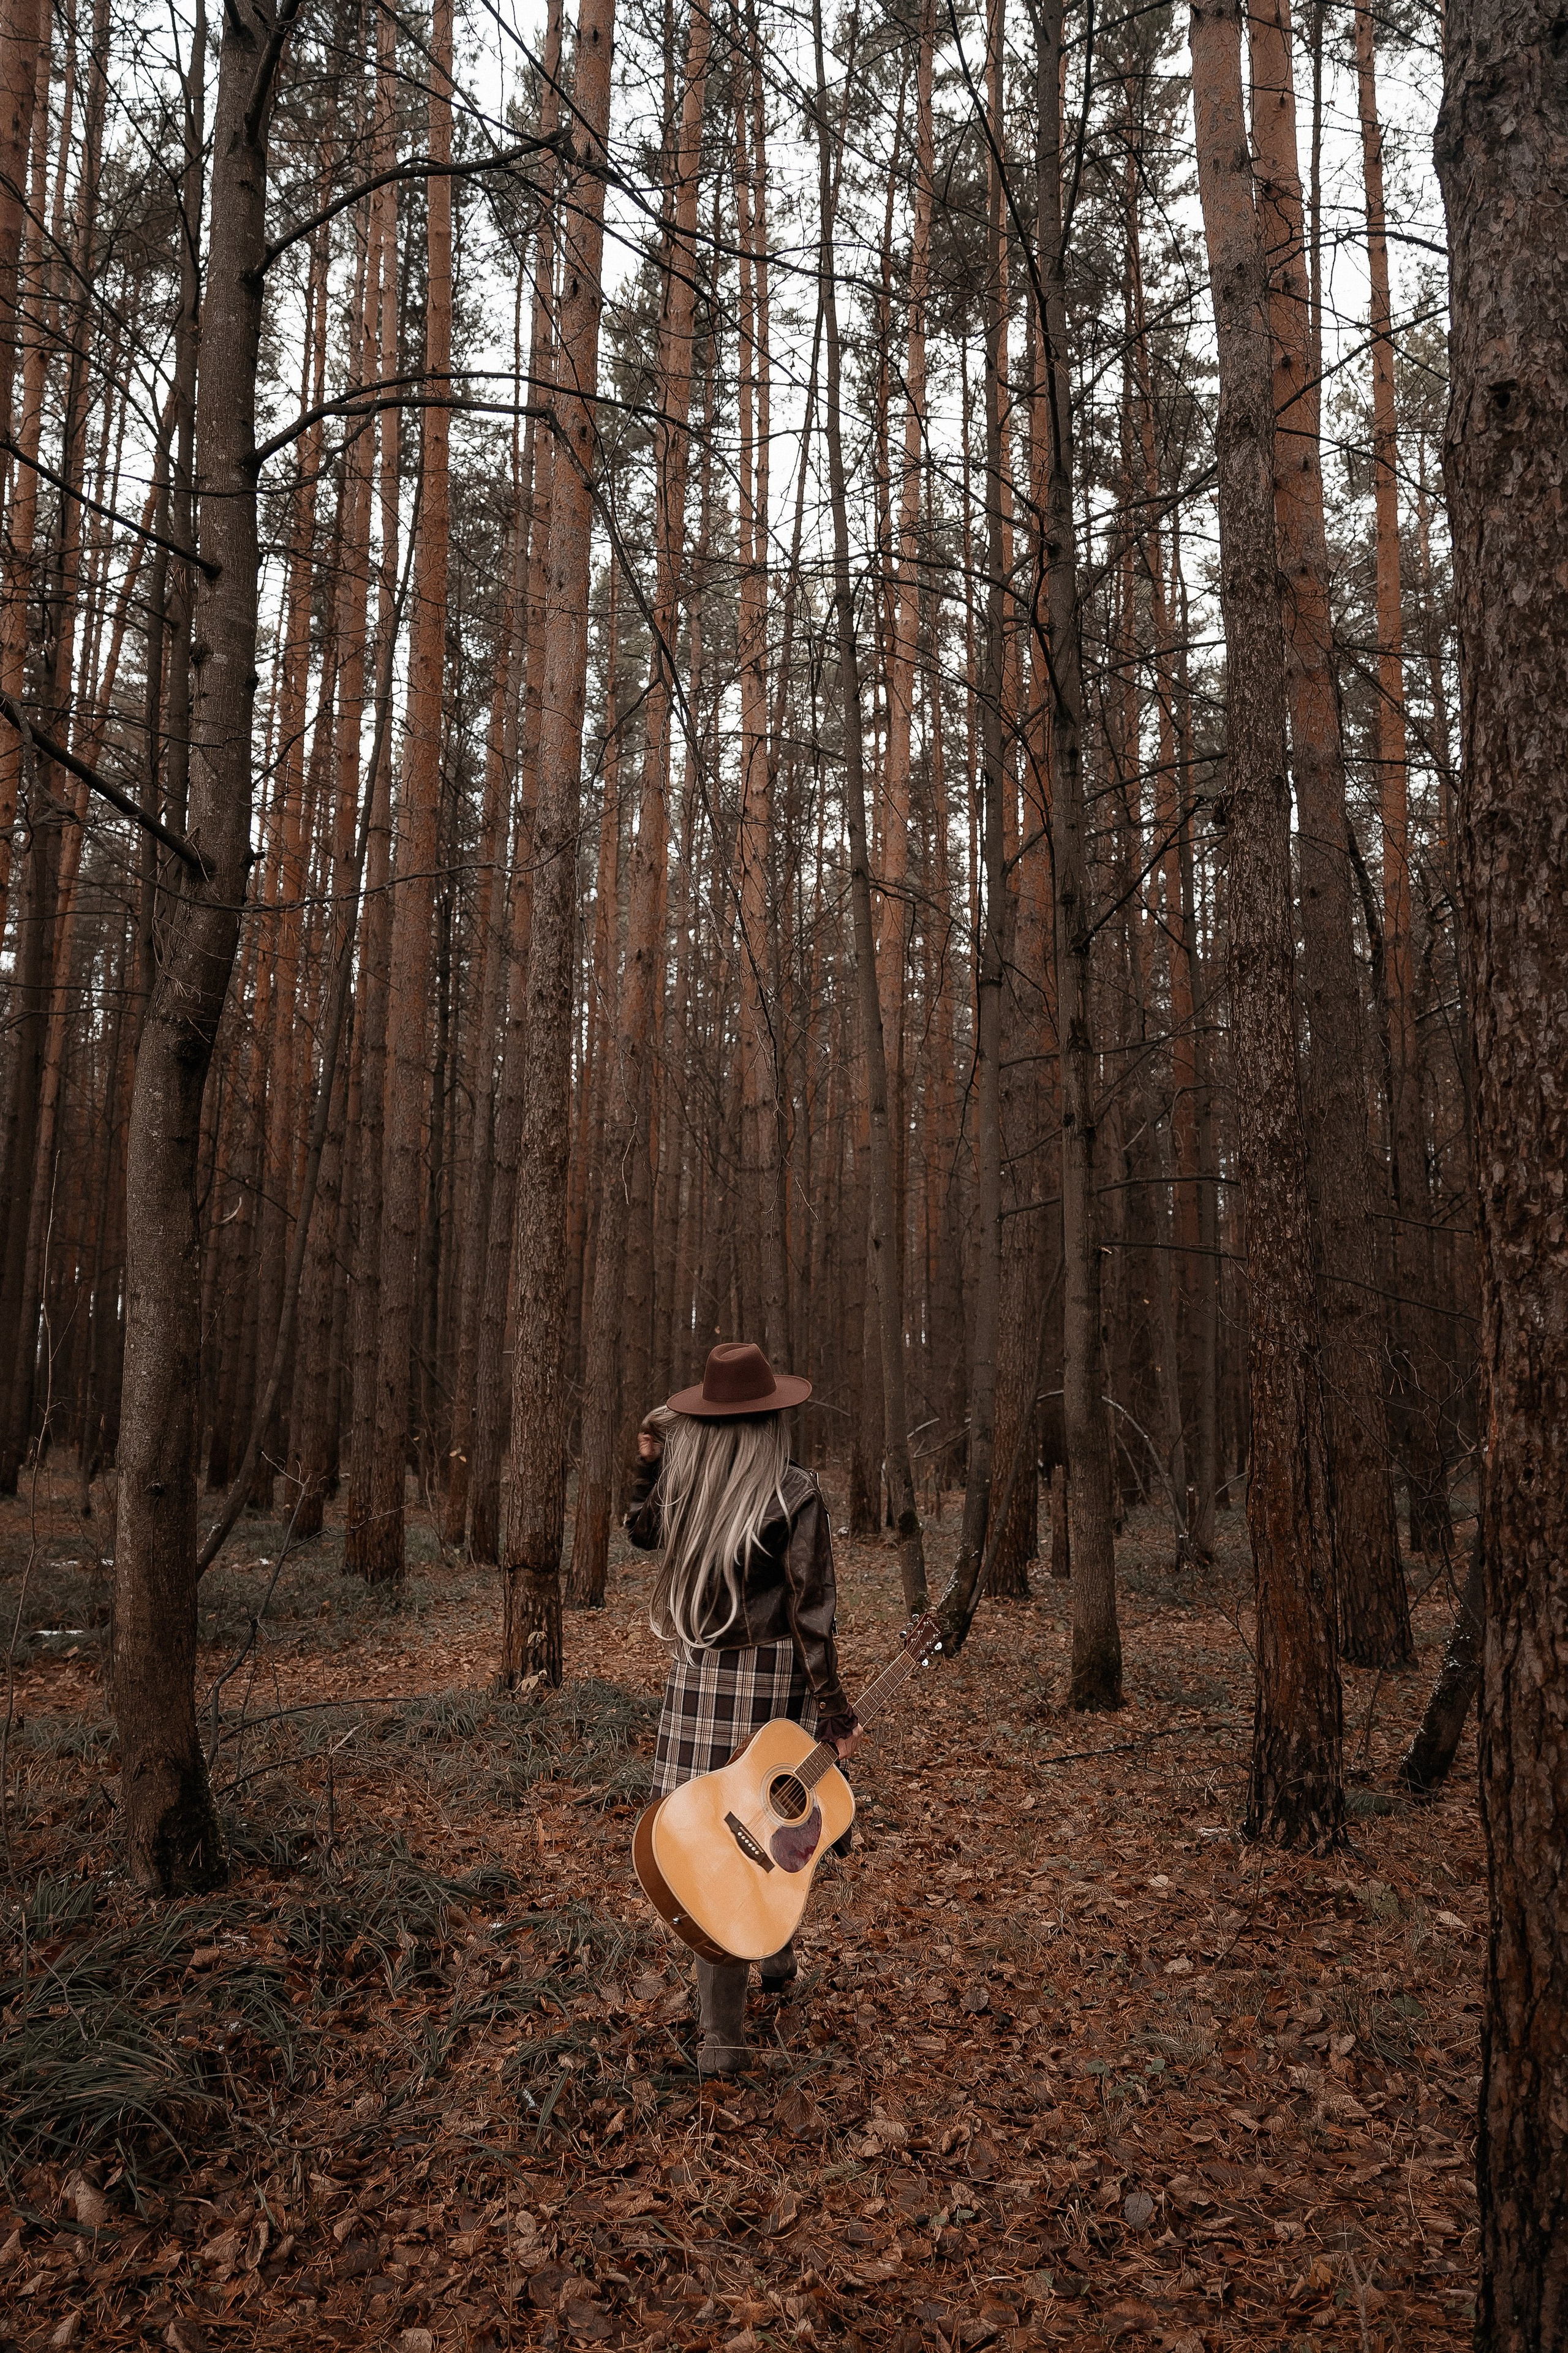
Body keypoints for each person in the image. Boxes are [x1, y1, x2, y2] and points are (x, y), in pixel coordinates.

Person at [625, 1338, 863, 2075]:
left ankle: (749, 1989)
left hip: (696, 1676)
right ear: (770, 1421)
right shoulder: (794, 1491)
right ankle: (732, 2019)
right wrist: (833, 1709)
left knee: (712, 1843)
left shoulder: (689, 1486)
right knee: (768, 1814)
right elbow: (810, 1609)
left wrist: (649, 1463)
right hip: (768, 1682)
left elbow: (638, 1529)